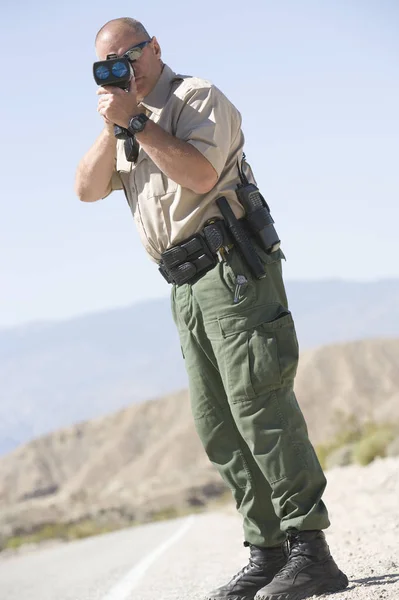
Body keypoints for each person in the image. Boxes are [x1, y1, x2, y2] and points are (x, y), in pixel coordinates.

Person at [75, 17, 348, 600]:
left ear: (155, 48)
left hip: (231, 269)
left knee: (260, 405)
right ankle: (269, 551)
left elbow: (199, 174)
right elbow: (85, 188)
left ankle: (312, 550)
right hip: (184, 287)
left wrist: (139, 122)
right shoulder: (126, 125)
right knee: (218, 426)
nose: (127, 68)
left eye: (132, 54)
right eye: (111, 64)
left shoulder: (194, 97)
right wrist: (112, 124)